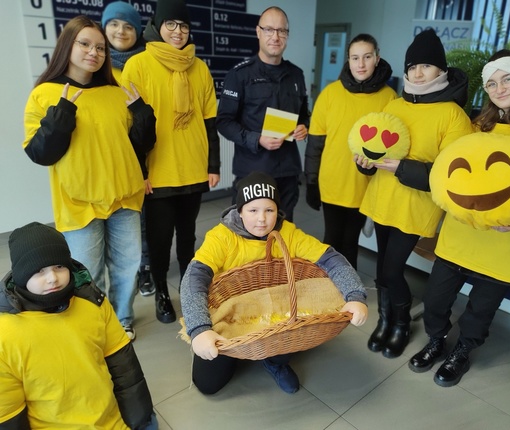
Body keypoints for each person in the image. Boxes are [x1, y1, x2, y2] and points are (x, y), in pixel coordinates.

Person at [408, 50, 510, 387]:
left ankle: (461, 352)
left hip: (505, 246)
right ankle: (436, 340)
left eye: (507, 78)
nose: (498, 88)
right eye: (491, 83)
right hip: (458, 238)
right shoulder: (479, 125)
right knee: (436, 300)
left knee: (480, 312)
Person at [22, 15, 156, 341]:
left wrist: (142, 113)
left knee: (126, 267)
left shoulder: (115, 91)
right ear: (67, 45)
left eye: (100, 47)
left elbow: (140, 144)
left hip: (124, 197)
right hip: (78, 202)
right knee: (85, 272)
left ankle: (121, 318)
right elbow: (40, 153)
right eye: (85, 44)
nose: (94, 52)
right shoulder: (45, 93)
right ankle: (93, 325)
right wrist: (63, 113)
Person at [180, 171, 368, 395]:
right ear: (239, 212)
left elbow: (330, 257)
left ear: (278, 211)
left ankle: (274, 361)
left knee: (292, 329)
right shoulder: (221, 237)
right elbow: (194, 277)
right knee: (208, 383)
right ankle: (240, 353)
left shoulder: (287, 232)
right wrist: (199, 328)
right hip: (233, 314)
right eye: (252, 210)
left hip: (275, 313)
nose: (262, 219)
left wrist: (355, 295)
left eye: (269, 210)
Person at [355, 29, 473, 357]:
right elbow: (377, 153)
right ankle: (384, 320)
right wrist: (365, 162)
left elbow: (449, 175)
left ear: (441, 71)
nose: (417, 73)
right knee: (381, 269)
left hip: (415, 206)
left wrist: (402, 168)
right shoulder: (394, 104)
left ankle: (401, 323)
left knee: (392, 269)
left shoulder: (453, 115)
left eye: (426, 66)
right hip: (382, 199)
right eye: (412, 67)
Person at [0, 222, 157, 429]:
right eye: (38, 271)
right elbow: (8, 413)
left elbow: (125, 369)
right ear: (20, 276)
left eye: (59, 266)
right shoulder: (6, 332)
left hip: (112, 422)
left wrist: (139, 419)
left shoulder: (93, 302)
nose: (52, 278)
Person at [122, 0, 221, 324]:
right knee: (160, 239)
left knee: (188, 236)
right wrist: (141, 171)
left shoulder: (200, 67)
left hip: (193, 168)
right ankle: (162, 292)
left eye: (183, 26)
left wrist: (213, 165)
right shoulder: (138, 65)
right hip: (158, 172)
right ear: (157, 26)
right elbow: (131, 127)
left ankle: (190, 288)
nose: (178, 32)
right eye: (171, 25)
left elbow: (209, 121)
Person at [305, 33, 397, 269]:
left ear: (377, 58)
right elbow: (316, 143)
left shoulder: (389, 98)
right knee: (332, 240)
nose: (361, 64)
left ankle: (350, 294)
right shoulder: (330, 94)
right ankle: (327, 291)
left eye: (367, 57)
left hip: (365, 185)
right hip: (332, 181)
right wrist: (311, 181)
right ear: (348, 60)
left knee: (350, 241)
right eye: (355, 58)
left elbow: (393, 147)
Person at [216, 6, 309, 222]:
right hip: (252, 171)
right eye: (269, 30)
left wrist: (305, 126)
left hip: (288, 171)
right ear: (258, 32)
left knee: (283, 233)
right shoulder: (240, 75)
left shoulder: (296, 75)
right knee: (249, 237)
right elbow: (224, 122)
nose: (275, 37)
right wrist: (257, 139)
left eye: (281, 31)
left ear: (287, 35)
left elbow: (304, 114)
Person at [101, 1, 155, 298]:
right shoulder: (97, 65)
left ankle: (143, 270)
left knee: (139, 221)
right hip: (104, 157)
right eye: (114, 24)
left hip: (138, 155)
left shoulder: (145, 64)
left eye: (128, 26)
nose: (121, 31)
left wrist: (143, 169)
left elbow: (149, 120)